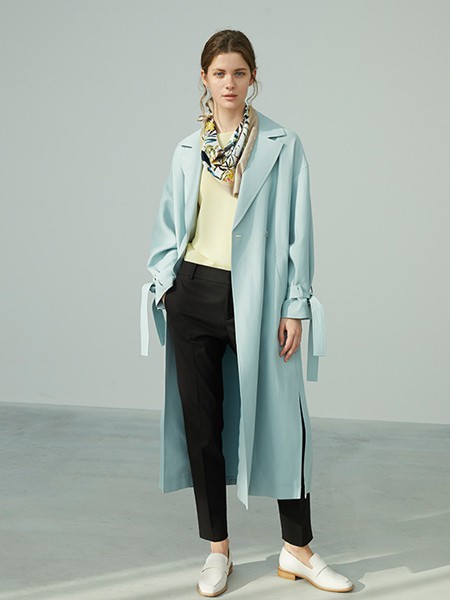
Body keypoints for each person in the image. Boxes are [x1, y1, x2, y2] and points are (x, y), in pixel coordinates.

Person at [140, 29, 354, 596]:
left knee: (285, 422)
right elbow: (169, 224)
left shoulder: (283, 144)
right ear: (204, 79)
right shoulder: (189, 150)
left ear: (253, 77)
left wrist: (295, 303)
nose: (229, 83)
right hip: (194, 294)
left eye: (238, 72)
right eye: (219, 73)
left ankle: (298, 550)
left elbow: (299, 228)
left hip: (259, 297)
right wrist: (166, 285)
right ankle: (218, 550)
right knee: (202, 426)